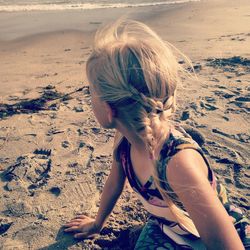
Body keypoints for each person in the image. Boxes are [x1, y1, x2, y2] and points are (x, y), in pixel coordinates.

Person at [64, 20, 249, 249]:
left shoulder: (178, 164)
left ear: (110, 109)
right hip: (167, 229)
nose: (88, 97)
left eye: (90, 91)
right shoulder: (124, 139)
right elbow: (115, 180)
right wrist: (97, 223)